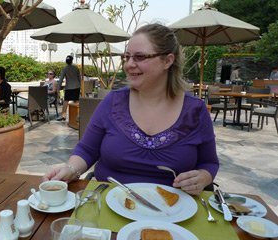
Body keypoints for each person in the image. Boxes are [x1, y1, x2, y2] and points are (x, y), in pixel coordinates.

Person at [43, 23, 219, 195]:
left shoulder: (195, 111)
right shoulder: (113, 101)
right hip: (109, 206)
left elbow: (209, 163)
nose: (128, 65)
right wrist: (71, 168)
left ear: (167, 61)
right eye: (127, 57)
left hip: (174, 212)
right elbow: (88, 150)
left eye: (139, 57)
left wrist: (203, 177)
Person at [56, 55, 81, 121]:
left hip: (69, 87)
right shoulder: (76, 68)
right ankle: (78, 115)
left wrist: (58, 88)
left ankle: (63, 115)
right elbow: (79, 78)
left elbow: (61, 79)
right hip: (77, 87)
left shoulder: (65, 69)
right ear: (72, 60)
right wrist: (81, 87)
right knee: (76, 101)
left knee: (66, 101)